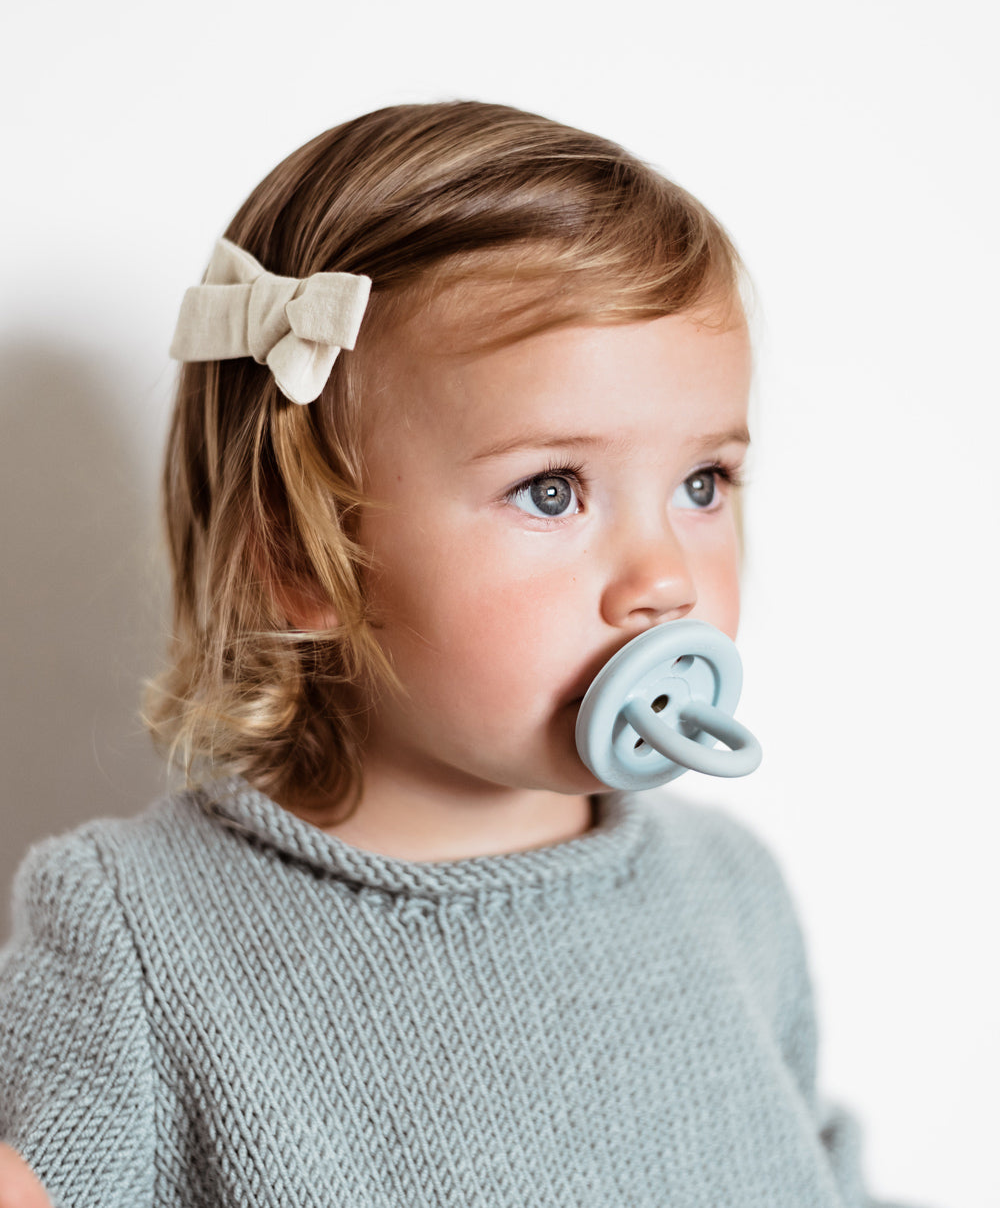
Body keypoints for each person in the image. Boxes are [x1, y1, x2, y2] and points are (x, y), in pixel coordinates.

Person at [0, 101, 911, 1207]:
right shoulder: (135, 931)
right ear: (304, 553)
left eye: (703, 482)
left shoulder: (729, 892)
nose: (663, 577)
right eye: (551, 490)